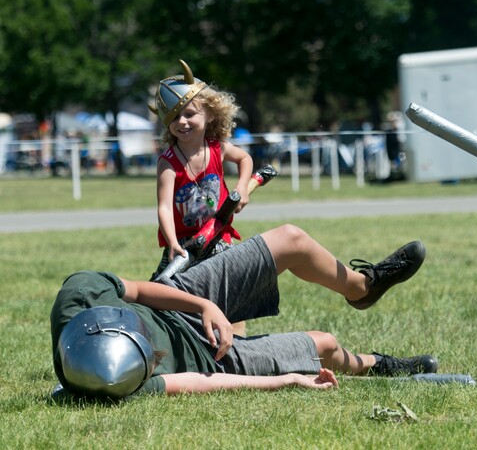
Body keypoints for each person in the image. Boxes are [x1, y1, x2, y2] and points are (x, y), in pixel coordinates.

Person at [51, 224, 435, 399]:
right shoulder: (114, 381)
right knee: (325, 345)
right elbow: (201, 383)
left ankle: (362, 287)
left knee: (291, 239)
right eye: (153, 361)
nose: (155, 357)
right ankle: (376, 364)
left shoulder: (80, 291)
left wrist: (203, 304)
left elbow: (137, 289)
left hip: (175, 299)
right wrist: (287, 381)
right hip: (207, 359)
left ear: (111, 318)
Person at [149, 60, 254, 335]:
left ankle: (239, 343)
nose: (181, 122)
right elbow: (163, 207)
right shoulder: (168, 162)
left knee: (232, 291)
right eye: (173, 118)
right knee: (165, 296)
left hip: (220, 236)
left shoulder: (217, 148)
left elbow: (245, 159)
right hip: (185, 246)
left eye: (189, 114)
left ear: (208, 113)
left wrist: (242, 187)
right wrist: (172, 242)